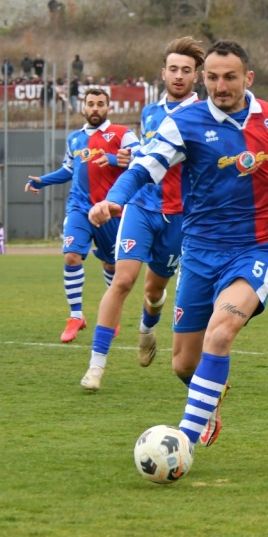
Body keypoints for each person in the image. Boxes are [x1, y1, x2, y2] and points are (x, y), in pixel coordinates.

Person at [88, 40, 268, 454]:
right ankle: (209, 399)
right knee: (183, 363)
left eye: (229, 77)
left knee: (221, 331)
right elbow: (145, 166)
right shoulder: (184, 122)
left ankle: (184, 440)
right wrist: (116, 198)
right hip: (199, 251)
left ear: (247, 78)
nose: (220, 85)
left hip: (254, 246)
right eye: (212, 77)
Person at [80, 36, 206, 393]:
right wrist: (129, 160)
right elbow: (144, 157)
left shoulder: (202, 116)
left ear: (196, 76)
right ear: (162, 73)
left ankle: (148, 328)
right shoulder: (150, 112)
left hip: (179, 215)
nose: (179, 76)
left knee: (154, 291)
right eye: (173, 69)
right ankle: (96, 366)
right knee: (123, 280)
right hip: (141, 206)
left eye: (186, 70)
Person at [25, 88, 139, 342]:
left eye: (100, 104)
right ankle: (76, 315)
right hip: (79, 207)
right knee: (72, 257)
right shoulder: (75, 139)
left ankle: (112, 315)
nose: (95, 108)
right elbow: (69, 169)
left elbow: (141, 160)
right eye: (91, 104)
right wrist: (42, 181)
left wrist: (111, 158)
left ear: (109, 108)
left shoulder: (123, 134)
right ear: (83, 108)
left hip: (111, 209)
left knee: (111, 265)